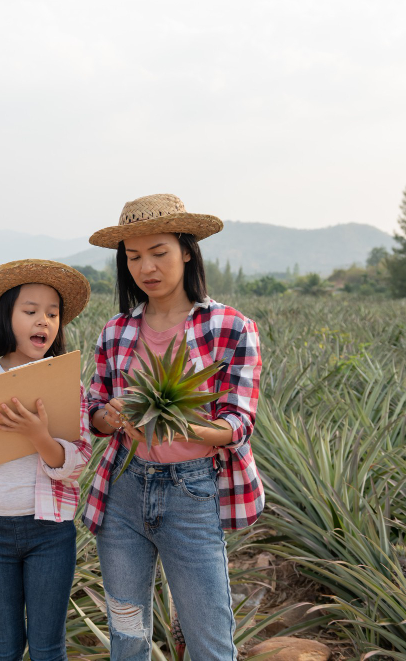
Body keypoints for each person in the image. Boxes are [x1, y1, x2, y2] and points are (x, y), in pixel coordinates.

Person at [82, 194, 263, 660]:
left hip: (192, 493)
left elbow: (237, 425)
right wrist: (112, 415)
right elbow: (97, 413)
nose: (147, 267)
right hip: (123, 491)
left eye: (159, 252)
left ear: (186, 249)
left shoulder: (231, 327)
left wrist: (178, 424)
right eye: (134, 256)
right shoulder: (116, 330)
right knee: (128, 635)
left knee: (209, 642)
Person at [0, 259, 93, 661]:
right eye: (30, 311)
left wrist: (38, 435)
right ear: (5, 316)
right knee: (3, 646)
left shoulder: (68, 383)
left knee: (48, 648)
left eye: (52, 313)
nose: (43, 321)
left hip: (51, 533)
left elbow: (77, 459)